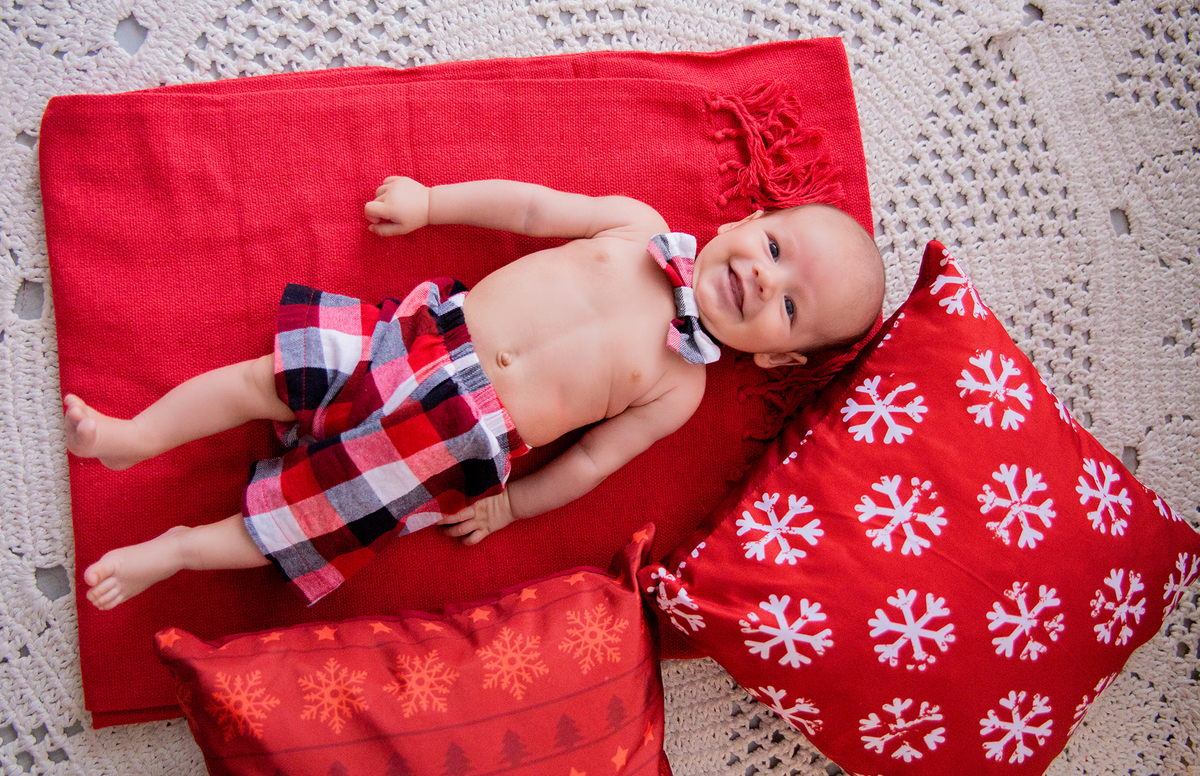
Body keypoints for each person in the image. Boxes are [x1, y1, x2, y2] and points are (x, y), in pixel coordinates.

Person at [65, 176, 885, 610]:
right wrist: (432, 204)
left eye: (788, 306)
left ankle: (174, 549)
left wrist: (511, 508)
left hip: (455, 444)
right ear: (752, 218)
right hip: (420, 339)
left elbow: (594, 460)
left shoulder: (681, 389)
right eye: (773, 246)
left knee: (302, 524)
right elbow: (530, 206)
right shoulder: (637, 227)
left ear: (778, 361)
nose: (758, 276)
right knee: (265, 380)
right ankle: (135, 435)